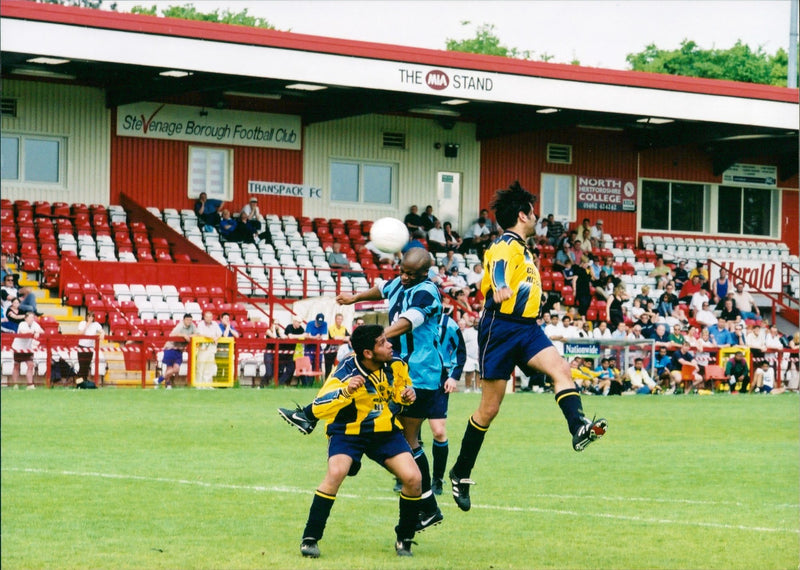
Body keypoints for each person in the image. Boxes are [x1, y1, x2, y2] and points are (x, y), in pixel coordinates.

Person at [448, 181, 606, 513]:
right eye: (533, 214)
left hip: (528, 327)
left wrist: (499, 286)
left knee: (561, 369)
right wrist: (502, 286)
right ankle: (460, 473)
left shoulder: (521, 249)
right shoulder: (507, 243)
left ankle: (577, 427)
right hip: (501, 328)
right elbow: (500, 270)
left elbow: (490, 277)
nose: (537, 219)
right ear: (523, 215)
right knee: (488, 410)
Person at [280, 249, 445, 528]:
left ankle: (427, 505)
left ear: (424, 274)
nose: (403, 277)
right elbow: (381, 288)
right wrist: (355, 298)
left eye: (410, 274)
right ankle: (317, 423)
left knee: (409, 438)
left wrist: (372, 341)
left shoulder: (426, 291)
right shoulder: (400, 282)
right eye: (402, 270)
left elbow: (405, 324)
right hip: (395, 363)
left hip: (419, 372)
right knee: (359, 395)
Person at [298, 324, 423, 559]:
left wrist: (407, 394)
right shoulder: (345, 371)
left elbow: (400, 388)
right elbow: (318, 406)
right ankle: (310, 538)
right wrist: (345, 392)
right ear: (368, 353)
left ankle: (404, 539)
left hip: (384, 431)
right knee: (336, 472)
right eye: (383, 342)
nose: (390, 345)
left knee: (413, 478)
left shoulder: (395, 364)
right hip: (348, 431)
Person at [429, 312, 465, 495]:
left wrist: (453, 377)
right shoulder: (410, 318)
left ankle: (437, 479)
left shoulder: (449, 324)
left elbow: (460, 351)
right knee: (409, 430)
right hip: (413, 378)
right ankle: (403, 477)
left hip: (438, 379)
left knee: (439, 431)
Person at [156, 313, 197, 388]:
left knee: (176, 369)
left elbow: (197, 334)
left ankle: (159, 379)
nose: (189, 321)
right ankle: (168, 385)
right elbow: (172, 335)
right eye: (187, 320)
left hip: (180, 349)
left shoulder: (192, 326)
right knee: (169, 368)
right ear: (184, 320)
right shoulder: (180, 326)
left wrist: (189, 336)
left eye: (190, 320)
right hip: (171, 348)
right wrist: (184, 335)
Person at [11, 311, 44, 389]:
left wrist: (37, 331)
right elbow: (23, 332)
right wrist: (33, 331)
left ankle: (30, 384)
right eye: (30, 317)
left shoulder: (35, 324)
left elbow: (42, 331)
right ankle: (15, 384)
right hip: (18, 347)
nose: (32, 319)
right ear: (25, 318)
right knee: (16, 366)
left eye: (33, 317)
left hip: (28, 348)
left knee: (30, 365)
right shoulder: (22, 324)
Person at [195, 310, 222, 387]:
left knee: (209, 367)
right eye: (207, 317)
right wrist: (212, 337)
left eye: (210, 317)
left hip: (212, 348)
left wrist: (216, 338)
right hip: (203, 348)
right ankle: (199, 385)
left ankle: (208, 385)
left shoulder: (215, 324)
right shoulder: (200, 324)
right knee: (201, 366)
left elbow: (219, 333)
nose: (209, 318)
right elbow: (200, 334)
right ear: (204, 317)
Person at [76, 311, 104, 385]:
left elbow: (102, 331)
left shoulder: (96, 324)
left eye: (92, 316)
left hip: (90, 347)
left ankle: (84, 382)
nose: (90, 318)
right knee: (81, 365)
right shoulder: (82, 323)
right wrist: (87, 324)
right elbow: (80, 333)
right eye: (89, 316)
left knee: (87, 365)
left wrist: (102, 334)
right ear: (86, 316)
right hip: (82, 347)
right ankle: (79, 383)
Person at [303, 314, 328, 385]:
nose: (319, 324)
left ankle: (313, 382)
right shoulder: (310, 324)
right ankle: (306, 383)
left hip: (317, 346)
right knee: (307, 363)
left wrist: (312, 337)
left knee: (318, 363)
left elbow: (321, 336)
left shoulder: (324, 324)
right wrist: (314, 337)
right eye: (318, 322)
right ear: (315, 320)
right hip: (309, 346)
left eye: (321, 323)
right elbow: (307, 335)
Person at [325, 313, 350, 378]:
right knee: (328, 369)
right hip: (330, 350)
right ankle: (327, 383)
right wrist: (344, 338)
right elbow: (334, 337)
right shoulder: (331, 327)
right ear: (335, 319)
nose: (339, 320)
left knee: (339, 368)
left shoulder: (344, 328)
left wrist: (343, 338)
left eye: (341, 319)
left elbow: (349, 337)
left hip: (339, 350)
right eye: (338, 319)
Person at [460, 314, 480, 393]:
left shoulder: (484, 331)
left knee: (479, 373)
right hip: (469, 356)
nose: (477, 324)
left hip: (480, 356)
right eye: (476, 323)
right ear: (473, 323)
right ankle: (467, 388)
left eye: (479, 323)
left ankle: (477, 388)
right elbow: (462, 343)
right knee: (469, 372)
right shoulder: (468, 331)